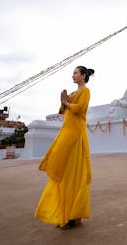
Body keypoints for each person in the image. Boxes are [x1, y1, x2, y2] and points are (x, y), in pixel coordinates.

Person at [35, 66, 94, 229]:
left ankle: (74, 215)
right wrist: (63, 102)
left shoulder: (85, 91)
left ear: (83, 76)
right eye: (73, 73)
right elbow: (63, 111)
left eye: (76, 73)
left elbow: (81, 109)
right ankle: (64, 213)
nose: (73, 76)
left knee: (74, 172)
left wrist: (66, 103)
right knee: (62, 170)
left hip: (76, 133)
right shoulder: (73, 93)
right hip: (66, 130)